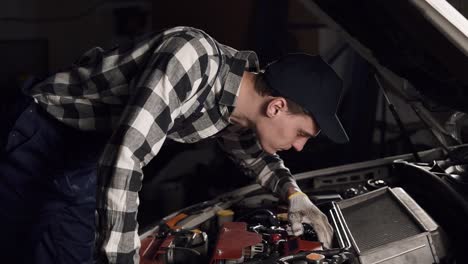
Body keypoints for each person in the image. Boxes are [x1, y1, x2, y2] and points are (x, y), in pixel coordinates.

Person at [0, 26, 349, 264]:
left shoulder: (235, 100)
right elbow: (126, 156)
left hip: (91, 155)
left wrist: (294, 195)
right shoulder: (192, 59)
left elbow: (251, 153)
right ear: (276, 106)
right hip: (43, 130)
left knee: (69, 251)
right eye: (301, 134)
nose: (300, 147)